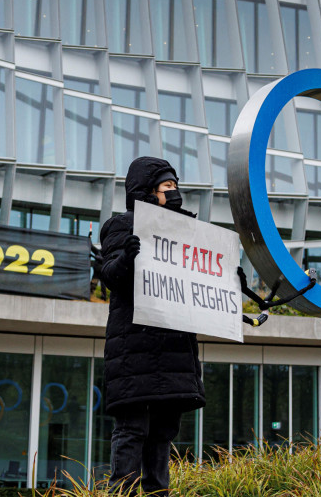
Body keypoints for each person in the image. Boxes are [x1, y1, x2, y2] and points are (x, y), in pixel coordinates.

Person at [98, 156, 205, 496]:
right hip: (137, 349)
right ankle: (122, 492)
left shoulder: (186, 232)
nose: (175, 194)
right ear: (146, 191)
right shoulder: (121, 226)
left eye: (176, 187)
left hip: (173, 351)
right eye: (167, 187)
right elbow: (111, 277)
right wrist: (128, 257)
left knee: (161, 435)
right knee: (132, 429)